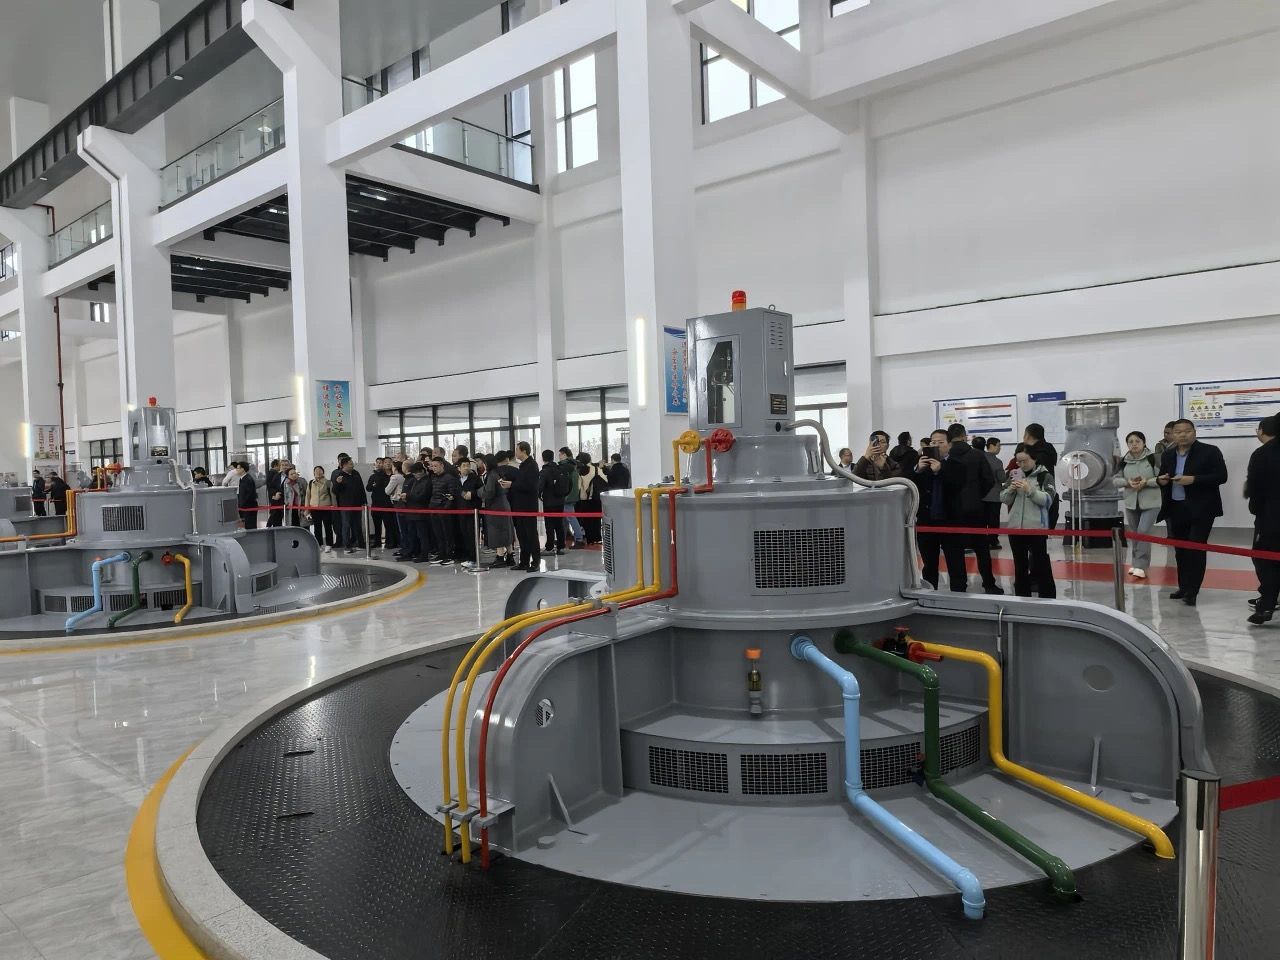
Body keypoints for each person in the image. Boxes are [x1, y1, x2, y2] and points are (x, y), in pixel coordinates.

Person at [1157, 419, 1228, 606]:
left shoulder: (1210, 451)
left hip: (1202, 509)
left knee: (1196, 548)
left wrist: (1194, 479)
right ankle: (1183, 586)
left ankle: (1192, 591)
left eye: (1187, 431)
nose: (1182, 435)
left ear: (1194, 432)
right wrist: (1161, 480)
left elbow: (1221, 476)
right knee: (1180, 550)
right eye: (1178, 432)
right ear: (1173, 434)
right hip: (1176, 507)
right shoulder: (1168, 454)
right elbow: (1163, 476)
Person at [942, 423, 1004, 594]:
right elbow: (988, 480)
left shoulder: (946, 457)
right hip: (975, 508)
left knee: (955, 550)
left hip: (951, 510)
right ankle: (989, 583)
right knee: (982, 548)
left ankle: (959, 586)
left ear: (949, 438)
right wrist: (977, 495)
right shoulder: (977, 455)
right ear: (965, 436)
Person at [1001, 447, 1056, 598]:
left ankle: (1048, 597)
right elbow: (1004, 499)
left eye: (1024, 461)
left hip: (1036, 528)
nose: (1021, 464)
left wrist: (1029, 490)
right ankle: (1022, 596)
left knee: (1040, 564)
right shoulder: (1015, 474)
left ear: (1034, 459)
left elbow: (1048, 500)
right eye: (1018, 461)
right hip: (1015, 528)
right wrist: (1011, 489)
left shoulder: (1045, 476)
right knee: (1020, 566)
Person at [913, 429, 959, 590]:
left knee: (955, 563)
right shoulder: (922, 465)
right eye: (933, 442)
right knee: (929, 564)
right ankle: (930, 594)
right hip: (926, 521)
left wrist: (940, 470)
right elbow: (908, 484)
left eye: (941, 442)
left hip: (950, 521)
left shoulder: (957, 464)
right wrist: (917, 470)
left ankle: (958, 594)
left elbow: (958, 486)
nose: (936, 445)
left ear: (949, 445)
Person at [1112, 431, 1161, 579]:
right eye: (1131, 442)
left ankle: (1141, 565)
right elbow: (1115, 480)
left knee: (1143, 532)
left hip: (1151, 502)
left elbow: (1162, 479)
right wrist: (1128, 482)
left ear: (1144, 443)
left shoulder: (1153, 458)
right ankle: (1135, 563)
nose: (1134, 444)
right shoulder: (1124, 461)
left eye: (1137, 441)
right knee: (1135, 533)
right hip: (1131, 502)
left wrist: (1147, 482)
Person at [1245, 417, 1279, 626]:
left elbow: (1254, 489)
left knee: (1265, 560)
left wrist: (1257, 511)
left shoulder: (1262, 454)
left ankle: (1266, 604)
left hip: (1271, 518)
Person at [505, 441, 542, 572]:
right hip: (519, 506)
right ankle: (524, 561)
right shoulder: (522, 466)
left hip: (528, 506)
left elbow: (530, 486)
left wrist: (512, 485)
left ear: (524, 451)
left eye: (517, 450)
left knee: (531, 535)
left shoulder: (532, 465)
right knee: (521, 535)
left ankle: (536, 562)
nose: (515, 452)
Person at [483, 452, 517, 569]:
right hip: (504, 504)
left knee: (497, 531)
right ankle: (510, 556)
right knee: (507, 531)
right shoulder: (499, 473)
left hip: (496, 507)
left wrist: (479, 492)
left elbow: (489, 492)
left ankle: (500, 557)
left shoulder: (492, 474)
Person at [1022, 424, 1059, 529]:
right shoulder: (1049, 448)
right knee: (1044, 533)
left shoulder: (1031, 454)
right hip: (1050, 494)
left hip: (1035, 498)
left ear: (1028, 436)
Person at [427, 458, 462, 564]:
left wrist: (446, 508)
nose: (433, 468)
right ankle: (441, 553)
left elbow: (452, 495)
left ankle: (449, 554)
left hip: (445, 510)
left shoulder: (449, 478)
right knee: (438, 533)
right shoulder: (433, 478)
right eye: (432, 466)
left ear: (442, 465)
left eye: (436, 466)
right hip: (434, 508)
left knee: (447, 533)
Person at [332, 456, 367, 553]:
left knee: (358, 525)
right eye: (350, 464)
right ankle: (347, 546)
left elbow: (361, 488)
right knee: (346, 525)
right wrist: (337, 483)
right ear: (344, 465)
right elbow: (334, 491)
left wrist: (364, 501)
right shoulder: (339, 475)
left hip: (357, 504)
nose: (352, 465)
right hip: (346, 505)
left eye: (352, 463)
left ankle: (360, 544)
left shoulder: (356, 473)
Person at [538, 449, 570, 555]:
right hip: (560, 501)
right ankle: (561, 547)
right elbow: (569, 484)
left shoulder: (544, 471)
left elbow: (539, 487)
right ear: (553, 457)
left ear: (543, 458)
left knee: (549, 525)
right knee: (559, 524)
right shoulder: (560, 469)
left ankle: (549, 548)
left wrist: (539, 495)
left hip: (549, 502)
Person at [405, 462, 435, 563]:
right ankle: (414, 551)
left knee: (423, 535)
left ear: (422, 471)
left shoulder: (427, 481)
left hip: (421, 512)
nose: (414, 474)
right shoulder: (414, 481)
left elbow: (422, 496)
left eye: (416, 472)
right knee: (413, 534)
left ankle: (424, 554)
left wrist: (408, 496)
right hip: (412, 511)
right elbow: (410, 492)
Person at [577, 452, 606, 545]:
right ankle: (597, 538)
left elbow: (578, 486)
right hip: (596, 498)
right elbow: (605, 480)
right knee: (596, 518)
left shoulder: (580, 471)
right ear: (590, 459)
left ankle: (589, 539)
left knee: (587, 520)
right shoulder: (596, 469)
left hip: (584, 499)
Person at [458, 458, 483, 564]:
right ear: (459, 468)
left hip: (473, 510)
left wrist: (472, 494)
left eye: (468, 465)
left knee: (472, 535)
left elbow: (481, 491)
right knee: (464, 534)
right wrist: (462, 493)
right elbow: (456, 489)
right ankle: (466, 556)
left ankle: (473, 558)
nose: (466, 468)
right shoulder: (457, 479)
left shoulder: (475, 478)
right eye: (464, 466)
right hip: (461, 510)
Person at [981, 439, 1005, 548]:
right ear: (991, 446)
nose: (1000, 448)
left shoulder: (980, 458)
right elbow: (1002, 478)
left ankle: (982, 541)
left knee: (982, 520)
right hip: (994, 495)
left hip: (981, 495)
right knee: (993, 520)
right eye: (998, 446)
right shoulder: (997, 461)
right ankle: (993, 541)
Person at [558, 447, 584, 548]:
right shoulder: (574, 465)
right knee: (565, 518)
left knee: (571, 517)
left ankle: (579, 538)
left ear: (565, 454)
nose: (559, 456)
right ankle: (563, 537)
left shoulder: (566, 466)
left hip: (567, 496)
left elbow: (565, 483)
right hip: (572, 495)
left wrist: (566, 496)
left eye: (560, 454)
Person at [305, 466, 335, 552]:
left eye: (320, 470)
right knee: (317, 527)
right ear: (314, 473)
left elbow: (332, 495)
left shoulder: (328, 482)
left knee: (327, 526)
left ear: (323, 472)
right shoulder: (311, 483)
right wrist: (307, 509)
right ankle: (319, 544)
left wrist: (334, 506)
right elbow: (308, 496)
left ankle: (329, 544)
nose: (318, 472)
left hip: (326, 508)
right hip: (314, 508)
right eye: (316, 471)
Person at [366, 457, 392, 551]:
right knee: (377, 524)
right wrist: (374, 485)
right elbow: (368, 488)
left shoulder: (390, 476)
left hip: (387, 503)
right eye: (378, 463)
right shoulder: (373, 476)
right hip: (376, 503)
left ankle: (389, 542)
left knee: (388, 524)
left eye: (381, 462)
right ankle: (377, 542)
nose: (379, 464)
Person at [235, 462, 258, 529]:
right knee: (248, 525)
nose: (236, 470)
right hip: (246, 507)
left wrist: (242, 505)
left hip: (249, 506)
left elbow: (248, 495)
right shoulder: (243, 479)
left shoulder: (247, 479)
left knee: (250, 526)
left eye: (238, 468)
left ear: (243, 469)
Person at [265, 459, 285, 528]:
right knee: (275, 514)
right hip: (275, 498)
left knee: (275, 514)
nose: (281, 467)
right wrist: (274, 494)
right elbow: (271, 486)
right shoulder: (273, 474)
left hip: (276, 498)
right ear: (276, 465)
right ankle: (268, 527)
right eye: (281, 465)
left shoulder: (274, 473)